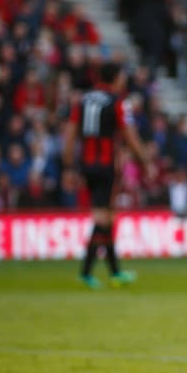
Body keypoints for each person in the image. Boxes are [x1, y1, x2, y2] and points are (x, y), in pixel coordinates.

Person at [66, 62, 151, 289]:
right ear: (115, 78)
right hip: (106, 166)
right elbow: (130, 135)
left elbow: (70, 133)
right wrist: (145, 161)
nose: (124, 80)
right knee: (102, 218)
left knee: (109, 217)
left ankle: (115, 272)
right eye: (122, 76)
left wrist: (68, 166)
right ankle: (86, 272)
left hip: (86, 164)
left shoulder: (83, 100)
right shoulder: (118, 102)